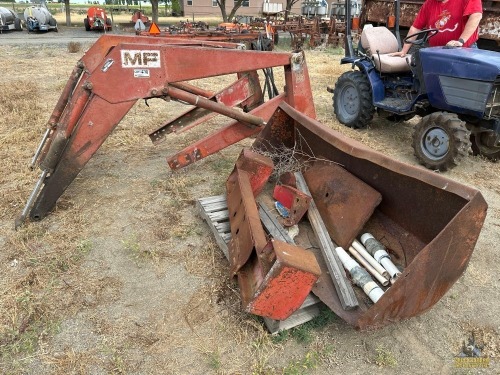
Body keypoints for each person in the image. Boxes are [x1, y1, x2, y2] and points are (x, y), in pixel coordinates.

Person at [391, 0, 482, 57]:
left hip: (463, 51)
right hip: (437, 54)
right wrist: (404, 50)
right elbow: (415, 28)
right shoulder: (429, 3)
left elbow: (476, 16)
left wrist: (461, 41)